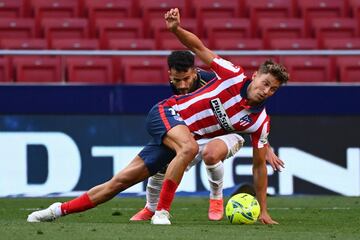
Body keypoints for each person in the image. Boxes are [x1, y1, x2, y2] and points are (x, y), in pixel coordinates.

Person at [27, 8, 288, 225]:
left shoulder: (258, 121)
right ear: (255, 76)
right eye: (265, 83)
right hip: (167, 112)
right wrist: (175, 29)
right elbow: (198, 47)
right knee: (189, 147)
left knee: (118, 183)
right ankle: (161, 211)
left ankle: (56, 210)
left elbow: (258, 167)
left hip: (181, 135)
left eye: (273, 89)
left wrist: (264, 210)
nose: (266, 91)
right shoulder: (231, 74)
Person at [130, 51, 284, 221]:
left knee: (210, 153)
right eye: (176, 79)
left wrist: (266, 146)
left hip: (228, 132)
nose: (181, 84)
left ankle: (216, 198)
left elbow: (251, 119)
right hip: (196, 131)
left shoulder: (215, 79)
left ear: (194, 72)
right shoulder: (177, 81)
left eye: (186, 78)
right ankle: (150, 208)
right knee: (162, 165)